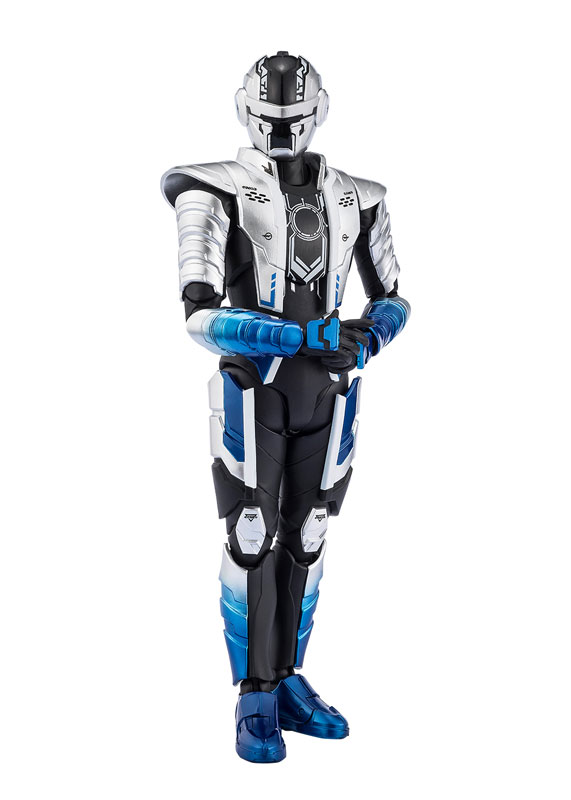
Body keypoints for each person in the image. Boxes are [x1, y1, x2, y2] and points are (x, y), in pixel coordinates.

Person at [161, 51, 410, 763]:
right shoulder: (211, 188)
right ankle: (254, 694)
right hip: (254, 386)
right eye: (270, 117)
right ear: (247, 111)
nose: (281, 129)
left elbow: (394, 297)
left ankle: (288, 678)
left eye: (293, 117)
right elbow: (198, 315)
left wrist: (366, 339)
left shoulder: (358, 197)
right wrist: (289, 336)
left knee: (309, 534)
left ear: (316, 112)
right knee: (250, 531)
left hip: (327, 389)